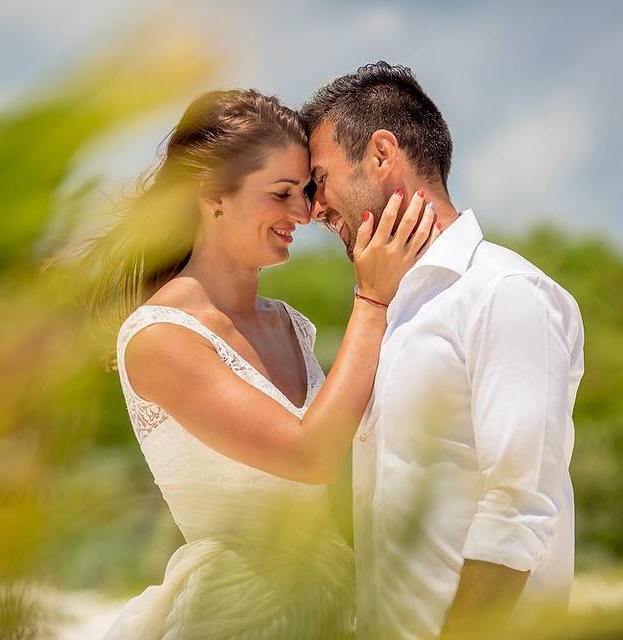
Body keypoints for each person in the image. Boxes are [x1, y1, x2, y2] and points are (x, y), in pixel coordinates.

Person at [86, 89, 439, 639]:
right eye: (281, 194)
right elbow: (308, 455)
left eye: (305, 190)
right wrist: (371, 303)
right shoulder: (161, 337)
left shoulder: (292, 326)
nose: (303, 213)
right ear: (213, 196)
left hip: (333, 605)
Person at [301, 62, 585, 639]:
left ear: (381, 155)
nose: (312, 209)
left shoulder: (505, 293)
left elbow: (520, 504)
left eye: (320, 180)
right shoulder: (386, 310)